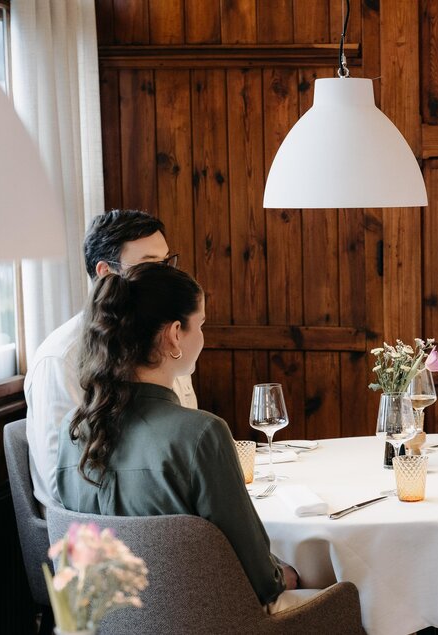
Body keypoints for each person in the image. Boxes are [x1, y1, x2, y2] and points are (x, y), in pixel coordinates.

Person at [54, 263, 306, 608]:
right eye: (200, 324)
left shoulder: (72, 430)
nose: (203, 336)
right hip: (208, 623)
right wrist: (283, 574)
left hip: (103, 623)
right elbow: (261, 581)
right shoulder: (201, 434)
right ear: (175, 334)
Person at [26, 209, 197, 510]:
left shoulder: (165, 340)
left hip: (169, 504)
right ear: (106, 272)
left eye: (166, 263)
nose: (166, 278)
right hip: (95, 526)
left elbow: (184, 436)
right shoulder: (61, 358)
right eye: (150, 265)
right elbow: (61, 481)